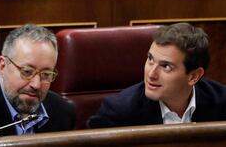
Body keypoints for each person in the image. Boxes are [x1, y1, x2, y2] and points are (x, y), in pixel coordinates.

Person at [87, 23, 226, 128]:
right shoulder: (119, 111)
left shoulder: (222, 102)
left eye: (166, 66)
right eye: (150, 59)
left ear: (194, 76)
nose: (151, 74)